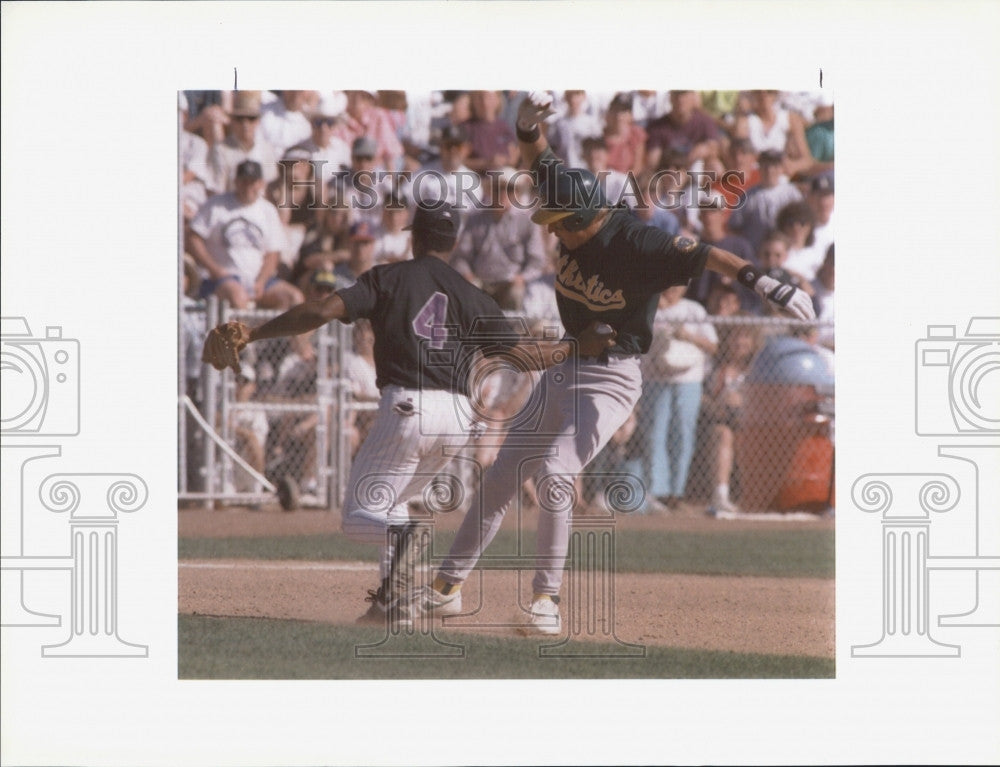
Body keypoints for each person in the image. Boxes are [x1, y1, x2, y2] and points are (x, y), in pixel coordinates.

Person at [421, 92, 815, 635]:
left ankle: (547, 600)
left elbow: (707, 255)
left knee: (558, 470)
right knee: (501, 475)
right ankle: (446, 587)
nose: (552, 229)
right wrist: (528, 122)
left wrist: (766, 282)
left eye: (561, 222)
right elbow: (536, 151)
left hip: (611, 376)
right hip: (565, 364)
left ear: (589, 215)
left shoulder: (637, 241)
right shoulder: (568, 196)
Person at [202, 201, 618, 627]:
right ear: (454, 242)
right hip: (458, 418)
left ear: (412, 235)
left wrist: (254, 332)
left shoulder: (389, 277)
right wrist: (576, 346)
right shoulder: (473, 295)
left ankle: (403, 540)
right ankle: (392, 605)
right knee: (395, 503)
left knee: (357, 517)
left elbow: (322, 311)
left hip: (408, 409)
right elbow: (522, 356)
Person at [639, 285, 718, 513]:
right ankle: (656, 491)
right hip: (655, 378)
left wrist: (688, 336)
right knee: (655, 433)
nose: (673, 288)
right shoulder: (648, 307)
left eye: (679, 283)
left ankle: (676, 491)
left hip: (688, 380)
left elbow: (713, 346)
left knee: (682, 435)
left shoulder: (693, 310)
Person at [186, 160, 302, 310]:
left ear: (261, 183)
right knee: (238, 297)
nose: (248, 187)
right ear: (236, 182)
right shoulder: (216, 205)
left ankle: (277, 334)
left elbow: (273, 254)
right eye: (244, 181)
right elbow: (193, 238)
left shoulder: (268, 210)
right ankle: (244, 334)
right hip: (222, 278)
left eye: (252, 182)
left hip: (257, 279)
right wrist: (215, 270)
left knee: (294, 299)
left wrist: (261, 281)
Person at [450, 168, 546, 311]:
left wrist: (522, 278)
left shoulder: (528, 221)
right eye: (497, 189)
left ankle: (514, 332)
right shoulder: (474, 219)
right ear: (490, 191)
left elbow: (537, 261)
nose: (502, 194)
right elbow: (461, 257)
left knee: (516, 294)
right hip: (480, 281)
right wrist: (467, 275)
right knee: (467, 292)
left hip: (511, 282)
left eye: (508, 189)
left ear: (517, 193)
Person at [701, 321, 760, 515]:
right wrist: (718, 404)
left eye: (745, 336)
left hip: (751, 424)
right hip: (720, 420)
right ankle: (721, 496)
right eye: (735, 336)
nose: (740, 342)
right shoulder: (715, 367)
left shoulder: (759, 369)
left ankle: (755, 497)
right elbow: (700, 397)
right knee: (723, 434)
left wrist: (744, 401)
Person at [726, 148, 803, 251]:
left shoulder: (792, 194)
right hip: (755, 253)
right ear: (759, 168)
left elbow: (803, 224)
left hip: (786, 253)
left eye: (774, 166)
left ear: (781, 168)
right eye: (766, 166)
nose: (770, 170)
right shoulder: (748, 196)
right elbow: (734, 227)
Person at [207, 91, 281, 193]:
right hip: (229, 204)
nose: (245, 124)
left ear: (258, 122)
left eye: (251, 119)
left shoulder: (266, 149)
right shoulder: (220, 150)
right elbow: (216, 190)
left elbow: (270, 187)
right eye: (240, 119)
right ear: (232, 121)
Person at [461, 90, 518, 175]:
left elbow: (513, 158)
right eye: (480, 98)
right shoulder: (466, 128)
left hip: (504, 174)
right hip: (477, 178)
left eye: (489, 97)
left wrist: (503, 161)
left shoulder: (503, 127)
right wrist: (486, 163)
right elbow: (460, 162)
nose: (485, 102)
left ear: (498, 100)